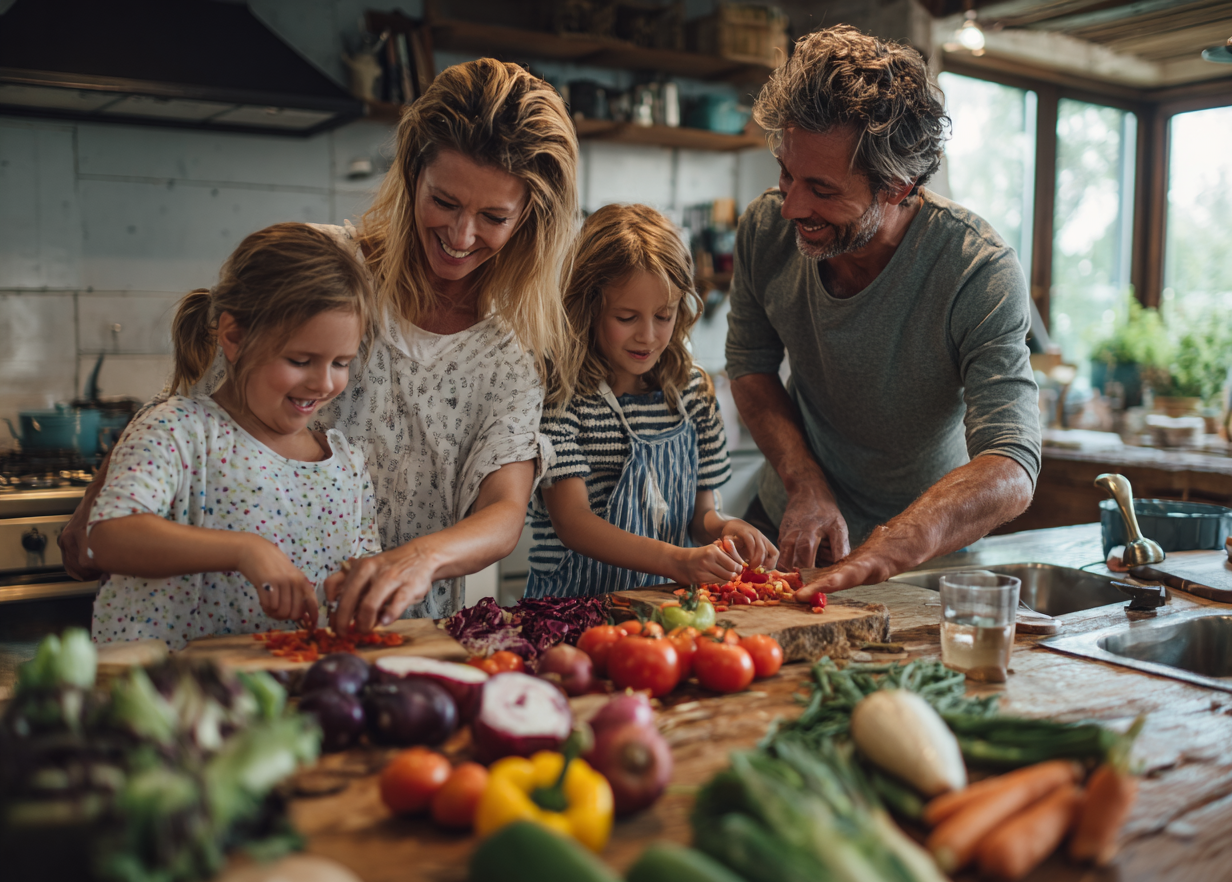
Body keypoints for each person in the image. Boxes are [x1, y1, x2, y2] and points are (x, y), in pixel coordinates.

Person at [61, 58, 580, 631]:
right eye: (445, 201)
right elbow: (192, 404)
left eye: (493, 217)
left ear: (530, 217)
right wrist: (97, 512)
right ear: (412, 175)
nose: (460, 237)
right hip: (208, 625)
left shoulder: (511, 352)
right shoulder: (328, 266)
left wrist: (416, 559)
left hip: (395, 634)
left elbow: (504, 512)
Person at [724, 26, 1041, 603]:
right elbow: (749, 366)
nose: (792, 205)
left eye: (820, 188)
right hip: (786, 521)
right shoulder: (764, 229)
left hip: (920, 552)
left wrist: (888, 546)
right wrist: (805, 481)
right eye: (786, 173)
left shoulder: (977, 269)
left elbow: (1012, 463)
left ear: (896, 187)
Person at [88, 224, 382, 648]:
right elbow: (109, 536)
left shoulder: (347, 464)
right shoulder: (178, 429)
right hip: (168, 696)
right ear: (234, 337)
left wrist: (355, 584)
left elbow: (362, 564)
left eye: (341, 362)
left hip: (282, 698)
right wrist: (245, 550)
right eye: (301, 360)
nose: (323, 383)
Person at [525, 204, 777, 597]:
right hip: (572, 607)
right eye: (626, 317)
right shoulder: (561, 395)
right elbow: (572, 521)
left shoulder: (692, 392)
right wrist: (678, 561)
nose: (648, 336)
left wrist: (725, 527)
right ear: (587, 307)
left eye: (664, 315)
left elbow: (700, 516)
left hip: (665, 609)